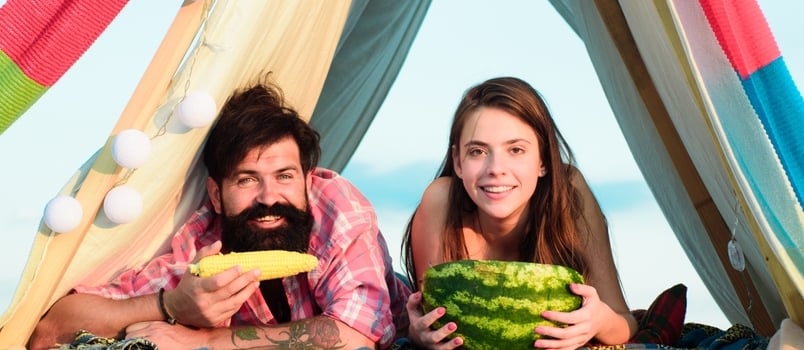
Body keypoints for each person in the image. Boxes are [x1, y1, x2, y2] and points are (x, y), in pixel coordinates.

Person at [30, 75, 410, 350]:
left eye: (285, 176)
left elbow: (356, 338)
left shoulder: (336, 205)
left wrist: (204, 340)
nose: (269, 197)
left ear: (308, 181)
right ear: (215, 193)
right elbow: (50, 331)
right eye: (247, 180)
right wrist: (170, 306)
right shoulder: (200, 245)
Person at [401, 77, 638, 350]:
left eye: (516, 150)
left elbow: (624, 321)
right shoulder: (440, 201)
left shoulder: (569, 193)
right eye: (478, 151)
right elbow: (430, 320)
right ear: (458, 162)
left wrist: (598, 321)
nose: (496, 168)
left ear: (544, 160)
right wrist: (419, 334)